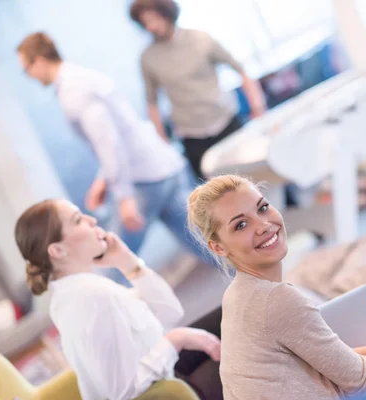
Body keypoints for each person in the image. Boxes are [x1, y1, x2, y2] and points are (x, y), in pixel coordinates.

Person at [186, 175, 366, 399]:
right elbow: (364, 381)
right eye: (240, 225)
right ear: (218, 247)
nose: (262, 225)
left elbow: (336, 360)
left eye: (262, 208)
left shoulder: (239, 293)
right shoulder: (276, 299)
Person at [16, 32, 210, 282]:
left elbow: (108, 141)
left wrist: (124, 196)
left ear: (40, 61)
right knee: (206, 244)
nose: (29, 76)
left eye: (27, 68)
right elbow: (117, 133)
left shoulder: (73, 91)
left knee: (108, 264)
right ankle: (262, 279)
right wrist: (102, 180)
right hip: (163, 166)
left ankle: (99, 318)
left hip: (143, 180)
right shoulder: (84, 77)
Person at [14, 199, 222, 400]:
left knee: (233, 315)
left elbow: (170, 312)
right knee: (243, 339)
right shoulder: (93, 298)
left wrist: (127, 262)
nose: (92, 220)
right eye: (78, 220)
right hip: (166, 392)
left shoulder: (76, 293)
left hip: (164, 370)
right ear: (58, 250)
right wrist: (175, 340)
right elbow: (122, 391)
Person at [129, 0, 267, 180]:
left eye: (154, 19)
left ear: (167, 13)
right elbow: (152, 102)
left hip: (226, 122)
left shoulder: (200, 39)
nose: (152, 26)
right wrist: (163, 142)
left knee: (255, 178)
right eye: (145, 23)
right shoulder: (148, 58)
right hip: (192, 135)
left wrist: (257, 107)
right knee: (216, 193)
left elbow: (241, 70)